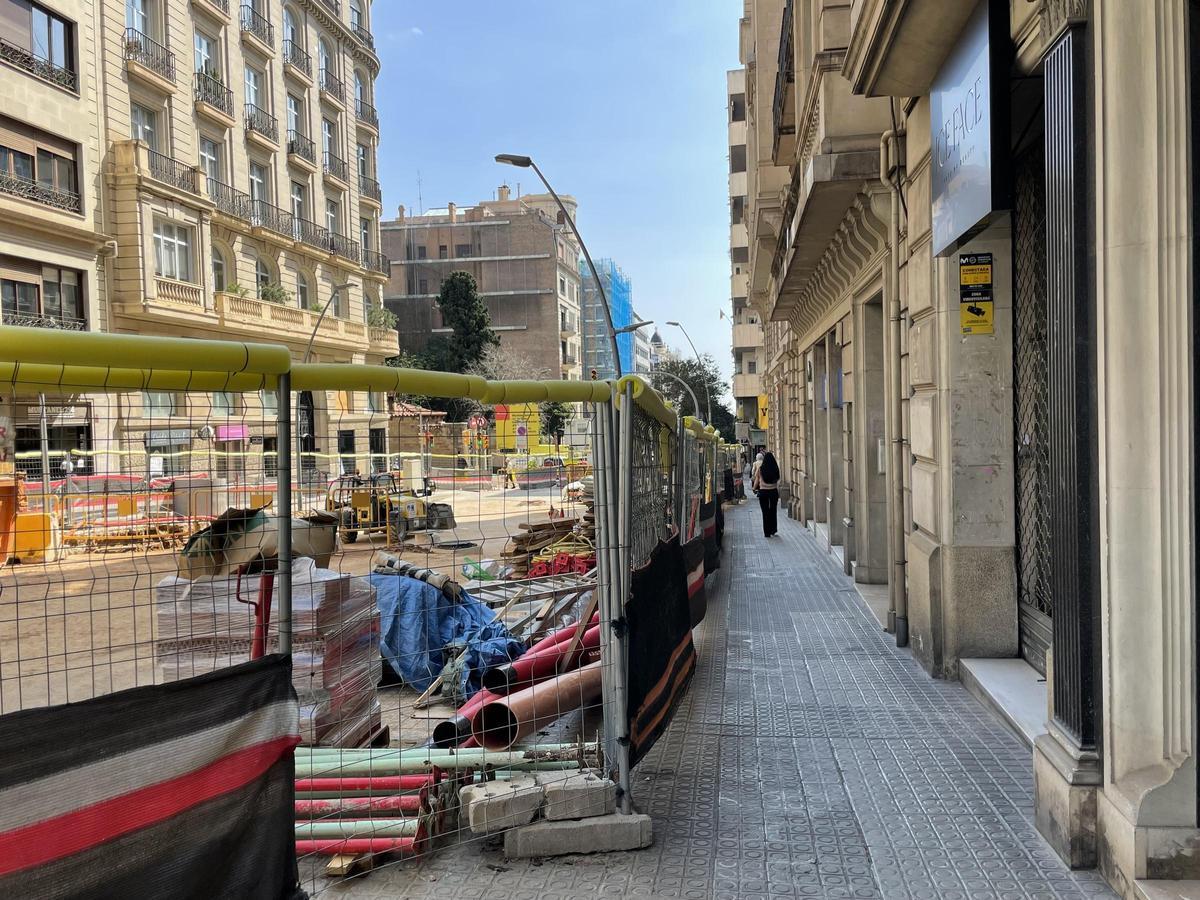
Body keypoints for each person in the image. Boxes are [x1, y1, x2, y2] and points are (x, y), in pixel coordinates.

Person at [753, 451, 780, 537]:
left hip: (763, 492)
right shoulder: (775, 468)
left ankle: (766, 532)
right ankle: (773, 529)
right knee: (773, 510)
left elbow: (757, 479)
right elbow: (778, 478)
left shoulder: (761, 468)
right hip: (773, 492)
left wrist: (754, 488)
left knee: (765, 512)